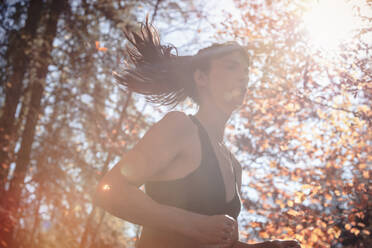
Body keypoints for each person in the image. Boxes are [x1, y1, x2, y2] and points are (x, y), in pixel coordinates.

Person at [94, 18, 301, 248]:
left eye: (246, 71)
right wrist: (194, 225)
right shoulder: (180, 126)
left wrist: (266, 247)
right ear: (201, 77)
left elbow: (220, 241)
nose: (244, 76)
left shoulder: (235, 167)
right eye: (231, 67)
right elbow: (110, 192)